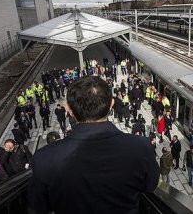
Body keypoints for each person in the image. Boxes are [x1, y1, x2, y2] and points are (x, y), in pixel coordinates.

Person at [29, 76, 160, 213]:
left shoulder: (44, 158)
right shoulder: (141, 147)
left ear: (69, 109)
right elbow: (150, 186)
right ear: (111, 104)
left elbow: (40, 205)